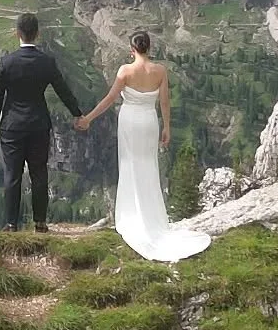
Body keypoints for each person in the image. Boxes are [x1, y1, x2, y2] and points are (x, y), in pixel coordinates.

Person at [79, 30, 210, 262]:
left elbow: (110, 99)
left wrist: (89, 118)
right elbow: (165, 101)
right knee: (148, 167)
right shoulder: (160, 71)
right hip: (149, 121)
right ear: (149, 48)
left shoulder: (125, 71)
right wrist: (167, 127)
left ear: (132, 50)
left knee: (129, 165)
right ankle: (153, 218)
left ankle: (131, 216)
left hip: (129, 121)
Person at [0, 12, 86, 232]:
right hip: (38, 125)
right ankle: (40, 223)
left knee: (12, 175)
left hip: (12, 126)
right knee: (39, 173)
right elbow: (63, 90)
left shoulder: (6, 63)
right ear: (37, 34)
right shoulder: (47, 62)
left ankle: (11, 224)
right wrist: (77, 113)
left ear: (17, 34)